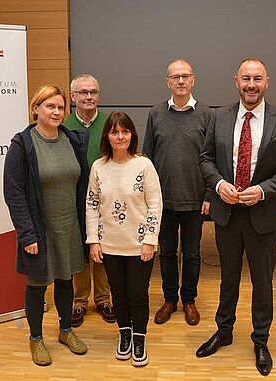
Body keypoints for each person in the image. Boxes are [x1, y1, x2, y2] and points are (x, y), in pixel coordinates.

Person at [197, 58, 276, 376]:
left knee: (262, 283)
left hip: (262, 216)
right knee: (227, 280)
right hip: (227, 214)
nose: (251, 85)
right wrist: (218, 184)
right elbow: (205, 159)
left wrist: (263, 190)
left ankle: (260, 340)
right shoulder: (219, 117)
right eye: (246, 78)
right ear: (236, 81)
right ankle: (224, 331)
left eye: (257, 79)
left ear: (267, 82)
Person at [3, 84, 90, 366]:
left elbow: (82, 184)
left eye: (60, 107)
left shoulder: (72, 140)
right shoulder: (22, 145)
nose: (56, 112)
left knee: (66, 279)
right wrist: (27, 234)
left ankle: (66, 331)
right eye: (49, 106)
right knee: (38, 285)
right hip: (40, 229)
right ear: (35, 108)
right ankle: (36, 338)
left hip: (70, 226)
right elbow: (13, 192)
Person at [86, 112, 163, 367]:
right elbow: (92, 206)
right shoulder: (98, 167)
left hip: (139, 245)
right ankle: (125, 333)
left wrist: (150, 240)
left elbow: (155, 205)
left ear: (132, 135)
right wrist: (93, 241)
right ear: (107, 136)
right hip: (109, 245)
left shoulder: (144, 165)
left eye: (125, 132)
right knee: (118, 293)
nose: (120, 136)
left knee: (137, 294)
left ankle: (139, 337)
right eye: (114, 132)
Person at [143, 59, 212, 326]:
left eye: (185, 76)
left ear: (193, 80)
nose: (180, 81)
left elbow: (213, 159)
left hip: (195, 201)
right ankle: (170, 299)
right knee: (168, 254)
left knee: (193, 255)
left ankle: (189, 301)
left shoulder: (207, 115)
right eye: (175, 77)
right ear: (168, 82)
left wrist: (209, 195)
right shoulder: (155, 114)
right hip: (162, 201)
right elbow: (147, 157)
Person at [64, 74, 115, 327]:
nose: (88, 97)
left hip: (106, 199)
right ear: (73, 97)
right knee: (81, 250)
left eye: (93, 92)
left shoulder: (109, 124)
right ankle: (79, 301)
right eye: (83, 93)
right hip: (75, 199)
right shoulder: (64, 126)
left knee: (103, 249)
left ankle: (104, 298)